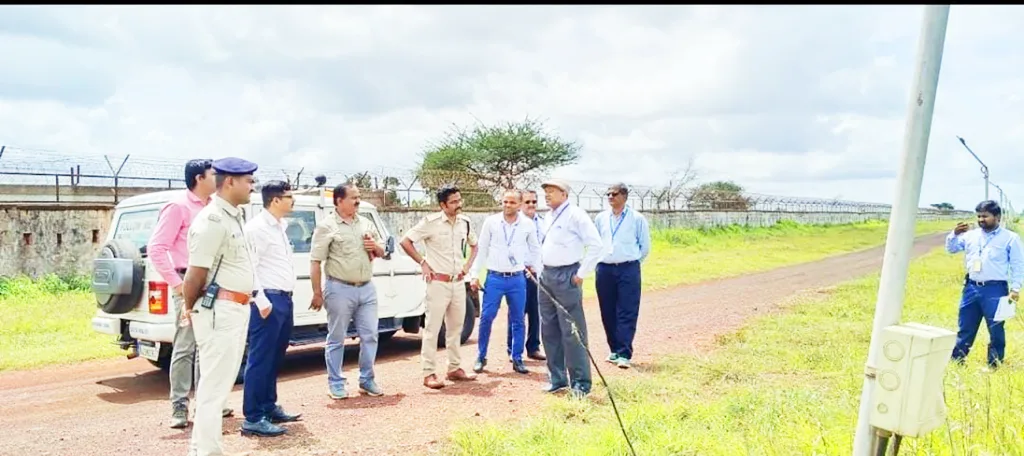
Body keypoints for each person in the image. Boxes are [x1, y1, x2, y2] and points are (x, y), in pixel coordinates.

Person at [146, 158, 233, 429]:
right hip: (188, 281)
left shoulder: (215, 208)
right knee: (185, 346)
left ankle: (208, 402)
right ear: (199, 178)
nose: (217, 179)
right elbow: (157, 248)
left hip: (214, 284)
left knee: (210, 346)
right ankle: (179, 407)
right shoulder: (178, 207)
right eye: (213, 174)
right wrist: (175, 284)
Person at [181, 157, 259, 456]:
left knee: (219, 387)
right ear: (230, 182)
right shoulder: (212, 220)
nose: (252, 186)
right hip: (219, 310)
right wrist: (190, 308)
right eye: (248, 181)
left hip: (235, 309)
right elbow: (195, 274)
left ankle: (203, 449)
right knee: (213, 389)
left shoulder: (233, 216)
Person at [310, 183, 386, 399]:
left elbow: (382, 251)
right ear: (339, 201)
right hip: (339, 288)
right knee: (336, 337)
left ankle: (367, 379)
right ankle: (335, 383)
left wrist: (375, 247)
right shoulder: (327, 226)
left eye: (359, 197)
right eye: (353, 197)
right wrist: (317, 292)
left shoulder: (365, 223)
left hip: (366, 288)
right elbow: (315, 261)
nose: (358, 201)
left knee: (370, 334)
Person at [399, 184, 479, 389]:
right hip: (438, 283)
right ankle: (429, 373)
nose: (458, 205)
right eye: (453, 202)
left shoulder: (465, 222)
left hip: (458, 282)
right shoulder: (430, 223)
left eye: (459, 200)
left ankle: (454, 368)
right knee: (432, 329)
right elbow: (406, 242)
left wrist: (468, 266)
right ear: (442, 205)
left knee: (456, 328)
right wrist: (423, 263)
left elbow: (474, 245)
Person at [240, 180, 302, 437]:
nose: (293, 201)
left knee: (276, 356)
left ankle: (268, 405)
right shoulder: (257, 229)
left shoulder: (279, 226)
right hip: (268, 300)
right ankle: (253, 416)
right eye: (289, 197)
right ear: (275, 200)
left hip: (283, 298)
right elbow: (249, 266)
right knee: (260, 358)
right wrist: (261, 300)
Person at [536, 179, 603, 399]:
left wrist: (580, 274)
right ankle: (557, 379)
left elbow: (596, 245)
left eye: (551, 191)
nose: (547, 195)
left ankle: (581, 383)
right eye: (545, 191)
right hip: (546, 274)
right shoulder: (548, 216)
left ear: (564, 194)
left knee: (572, 331)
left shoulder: (576, 215)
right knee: (549, 329)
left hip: (567, 275)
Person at [469, 189, 540, 375]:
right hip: (495, 278)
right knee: (486, 317)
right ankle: (481, 356)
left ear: (519, 204)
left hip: (517, 278)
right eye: (505, 202)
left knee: (518, 319)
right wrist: (475, 274)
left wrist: (536, 269)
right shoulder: (491, 222)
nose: (507, 205)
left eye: (512, 202)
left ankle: (517, 358)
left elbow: (535, 249)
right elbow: (482, 249)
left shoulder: (527, 224)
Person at [946, 200, 1023, 369]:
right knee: (965, 326)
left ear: (997, 217)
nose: (981, 219)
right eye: (979, 216)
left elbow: (1018, 264)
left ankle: (994, 364)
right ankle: (957, 360)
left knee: (996, 328)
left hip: (996, 289)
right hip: (971, 288)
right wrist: (954, 234)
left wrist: (1016, 288)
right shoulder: (971, 235)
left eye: (985, 216)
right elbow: (951, 249)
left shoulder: (1010, 238)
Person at [593, 183, 651, 369]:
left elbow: (644, 247)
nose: (610, 197)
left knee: (627, 310)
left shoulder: (637, 219)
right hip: (604, 269)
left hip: (628, 268)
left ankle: (625, 353)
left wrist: (630, 263)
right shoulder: (601, 218)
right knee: (607, 310)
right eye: (608, 193)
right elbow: (596, 242)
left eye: (614, 194)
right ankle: (614, 350)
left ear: (624, 196)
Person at [507, 189, 546, 361]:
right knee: (517, 312)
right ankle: (513, 349)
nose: (531, 205)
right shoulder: (514, 225)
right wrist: (522, 266)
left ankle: (534, 348)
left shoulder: (544, 223)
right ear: (520, 204)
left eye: (534, 202)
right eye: (527, 202)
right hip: (519, 273)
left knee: (536, 311)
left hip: (537, 273)